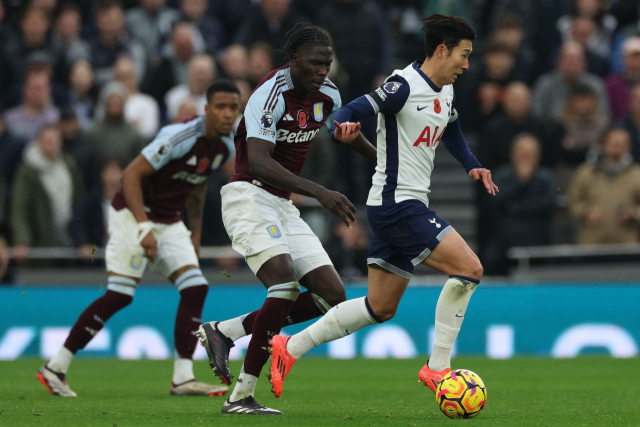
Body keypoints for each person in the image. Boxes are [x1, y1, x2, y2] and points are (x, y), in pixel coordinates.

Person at [267, 14, 498, 403]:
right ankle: (439, 368)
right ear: (442, 50)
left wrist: (472, 163)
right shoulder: (402, 85)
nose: (467, 64)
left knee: (380, 306)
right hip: (397, 204)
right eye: (464, 54)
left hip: (403, 205)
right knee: (469, 268)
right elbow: (351, 111)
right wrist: (341, 126)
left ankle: (288, 348)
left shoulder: (445, 89)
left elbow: (452, 128)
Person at [196, 23, 376, 415]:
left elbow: (343, 132)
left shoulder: (328, 94)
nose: (322, 70)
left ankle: (224, 331)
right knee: (284, 285)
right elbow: (259, 162)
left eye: (327, 63)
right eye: (315, 63)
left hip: (282, 203)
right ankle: (241, 394)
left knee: (332, 295)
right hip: (248, 196)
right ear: (293, 59)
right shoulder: (269, 94)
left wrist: (382, 162)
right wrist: (321, 193)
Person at [37, 80, 241, 397]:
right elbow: (130, 174)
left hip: (170, 219)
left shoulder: (225, 146)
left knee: (196, 287)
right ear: (207, 109)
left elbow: (197, 185)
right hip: (133, 213)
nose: (228, 114)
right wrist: (144, 228)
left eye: (233, 108)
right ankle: (55, 367)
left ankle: (183, 378)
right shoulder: (181, 135)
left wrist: (196, 235)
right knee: (120, 294)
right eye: (221, 107)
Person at [483, 134, 558, 275]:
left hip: (539, 241)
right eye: (523, 154)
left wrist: (515, 207)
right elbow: (495, 201)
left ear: (538, 156)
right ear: (513, 155)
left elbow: (548, 203)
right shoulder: (500, 176)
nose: (527, 159)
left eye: (531, 155)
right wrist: (521, 181)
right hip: (505, 244)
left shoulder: (547, 178)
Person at [11, 126, 84, 256]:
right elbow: (20, 208)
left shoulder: (69, 165)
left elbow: (80, 200)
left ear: (60, 142)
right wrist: (22, 240)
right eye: (47, 140)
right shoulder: (28, 171)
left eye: (54, 140)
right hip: (40, 240)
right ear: (38, 142)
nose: (51, 144)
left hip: (70, 238)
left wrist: (82, 237)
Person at [568, 128, 640, 244]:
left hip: (626, 244)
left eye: (622, 144)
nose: (617, 146)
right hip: (592, 243)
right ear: (604, 145)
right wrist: (586, 212)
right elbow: (573, 202)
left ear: (629, 148)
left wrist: (633, 213)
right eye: (614, 143)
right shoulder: (586, 172)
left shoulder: (637, 175)